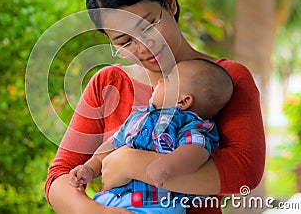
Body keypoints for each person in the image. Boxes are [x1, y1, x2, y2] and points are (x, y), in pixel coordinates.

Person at [45, 0, 265, 214]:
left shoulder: (228, 78)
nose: (144, 47)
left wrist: (128, 162)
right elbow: (58, 177)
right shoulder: (107, 84)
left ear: (169, 3)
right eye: (125, 41)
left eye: (149, 25)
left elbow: (243, 170)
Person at [68, 59, 233, 213]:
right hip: (115, 198)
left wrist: (164, 166)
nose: (160, 81)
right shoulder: (138, 117)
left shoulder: (188, 124)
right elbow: (112, 145)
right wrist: (90, 167)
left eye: (168, 79)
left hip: (157, 206)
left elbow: (198, 151)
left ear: (183, 101)